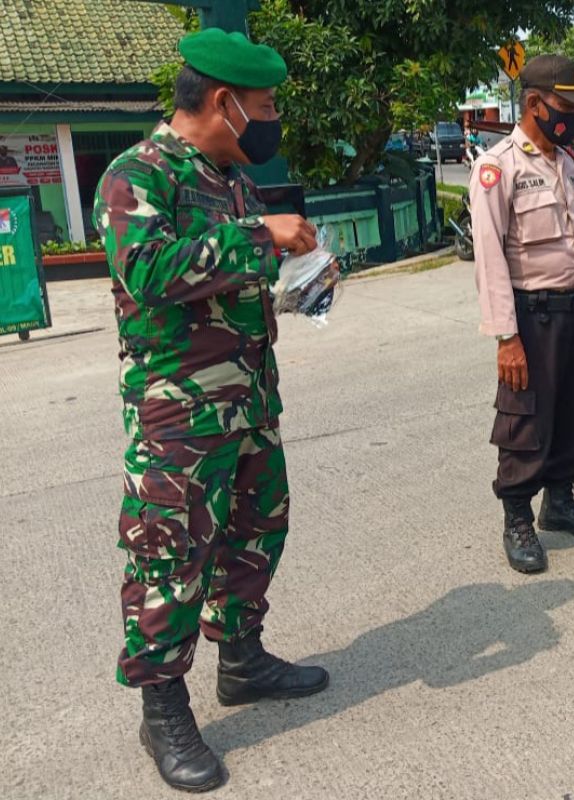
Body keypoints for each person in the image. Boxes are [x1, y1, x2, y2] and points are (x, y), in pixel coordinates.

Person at [92, 29, 329, 793]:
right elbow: (154, 270)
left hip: (249, 400)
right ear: (225, 103)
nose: (270, 123)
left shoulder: (227, 175)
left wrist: (300, 278)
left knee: (258, 528)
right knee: (170, 556)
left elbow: (232, 277)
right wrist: (262, 235)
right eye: (263, 108)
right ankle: (162, 709)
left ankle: (243, 660)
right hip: (179, 418)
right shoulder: (137, 175)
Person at [469, 54, 574, 574]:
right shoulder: (497, 167)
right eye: (565, 106)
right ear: (534, 103)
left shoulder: (568, 162)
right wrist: (507, 337)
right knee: (525, 419)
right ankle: (517, 517)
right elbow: (489, 260)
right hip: (533, 318)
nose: (573, 117)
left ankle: (561, 501)